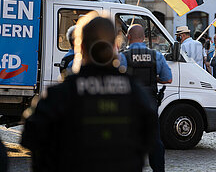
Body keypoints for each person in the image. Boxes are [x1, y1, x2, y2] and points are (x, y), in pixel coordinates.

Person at [21, 16, 157, 172]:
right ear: (115, 46)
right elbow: (150, 139)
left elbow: (30, 138)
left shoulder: (59, 95)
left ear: (80, 47)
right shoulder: (136, 94)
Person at [119, 24, 172, 172]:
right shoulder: (156, 56)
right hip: (150, 104)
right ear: (143, 38)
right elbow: (168, 79)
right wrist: (155, 79)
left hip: (129, 105)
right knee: (155, 140)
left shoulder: (122, 56)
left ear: (128, 37)